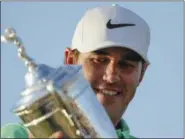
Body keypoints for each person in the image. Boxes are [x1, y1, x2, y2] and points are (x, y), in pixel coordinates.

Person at [2, 4, 151, 139]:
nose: (111, 77)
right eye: (99, 60)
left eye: (126, 64)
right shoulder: (16, 135)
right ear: (70, 61)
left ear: (142, 73)